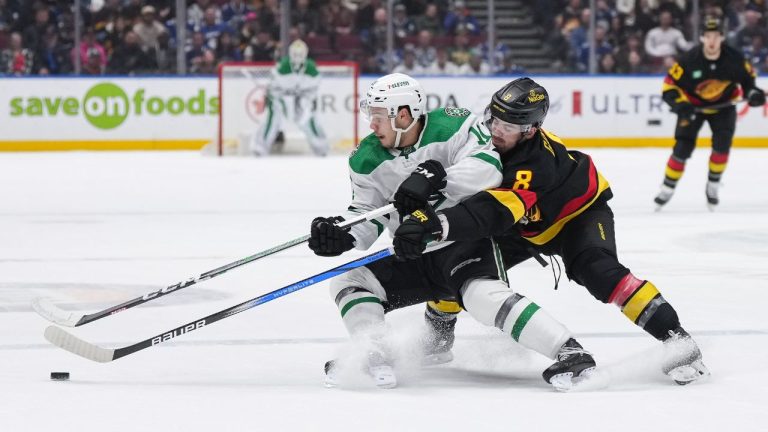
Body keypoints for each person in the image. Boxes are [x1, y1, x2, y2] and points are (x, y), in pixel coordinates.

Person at [393, 77, 710, 385]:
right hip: (524, 224)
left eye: (509, 127)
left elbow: (495, 211)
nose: (496, 131)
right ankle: (437, 335)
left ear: (530, 130)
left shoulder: (536, 163)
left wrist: (438, 224)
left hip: (575, 216)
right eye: (494, 120)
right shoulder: (479, 135)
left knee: (600, 272)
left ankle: (680, 343)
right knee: (459, 258)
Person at [309, 73, 596, 390]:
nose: (372, 126)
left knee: (482, 295)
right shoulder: (364, 158)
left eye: (378, 117)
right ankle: (377, 350)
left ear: (403, 115)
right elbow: (367, 212)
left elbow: (489, 167)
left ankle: (569, 351)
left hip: (462, 244)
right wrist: (343, 233)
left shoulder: (453, 124)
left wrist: (435, 177)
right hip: (411, 251)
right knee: (348, 280)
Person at [654, 17, 766, 210]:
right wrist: (681, 105)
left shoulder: (736, 59)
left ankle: (713, 184)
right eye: (708, 36)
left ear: (722, 38)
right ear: (702, 38)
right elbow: (669, 87)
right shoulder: (688, 60)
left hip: (724, 108)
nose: (712, 41)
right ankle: (668, 186)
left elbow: (749, 83)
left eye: (716, 36)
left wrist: (753, 94)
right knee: (682, 149)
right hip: (692, 108)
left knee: (722, 148)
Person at [250, 39, 328, 156]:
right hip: (279, 95)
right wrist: (273, 98)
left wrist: (307, 101)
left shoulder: (311, 68)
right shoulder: (283, 66)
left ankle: (320, 147)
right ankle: (260, 147)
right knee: (274, 119)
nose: (297, 57)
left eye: (300, 54)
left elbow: (313, 89)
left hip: (302, 95)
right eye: (295, 54)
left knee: (307, 119)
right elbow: (272, 87)